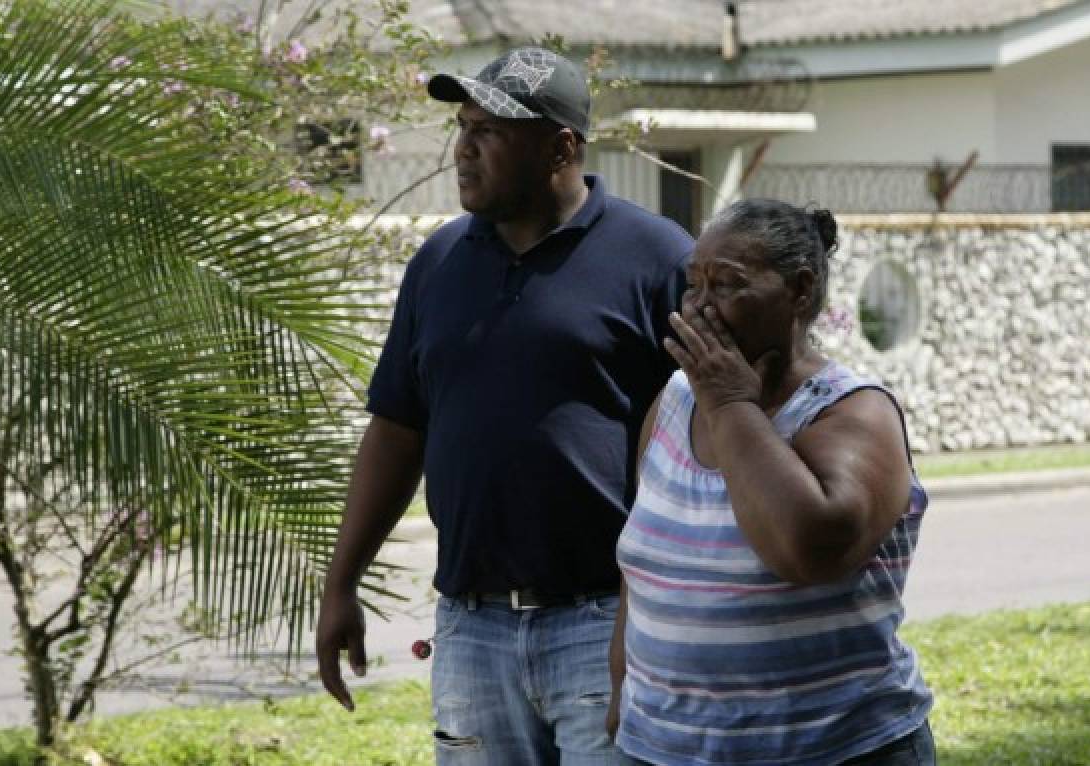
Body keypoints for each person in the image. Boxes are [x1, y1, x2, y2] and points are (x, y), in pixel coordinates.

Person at [315, 46, 694, 763]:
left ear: (561, 147)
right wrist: (341, 584)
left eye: (490, 131)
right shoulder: (438, 263)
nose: (464, 149)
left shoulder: (658, 259)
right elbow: (398, 428)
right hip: (471, 629)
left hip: (608, 621)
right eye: (463, 127)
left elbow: (708, 437)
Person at [608, 199, 936, 765]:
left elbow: (806, 550)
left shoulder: (854, 412)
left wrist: (731, 402)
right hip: (661, 748)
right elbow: (639, 574)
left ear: (799, 290)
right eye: (694, 285)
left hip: (835, 748)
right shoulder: (674, 401)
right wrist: (622, 697)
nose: (702, 308)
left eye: (729, 285)